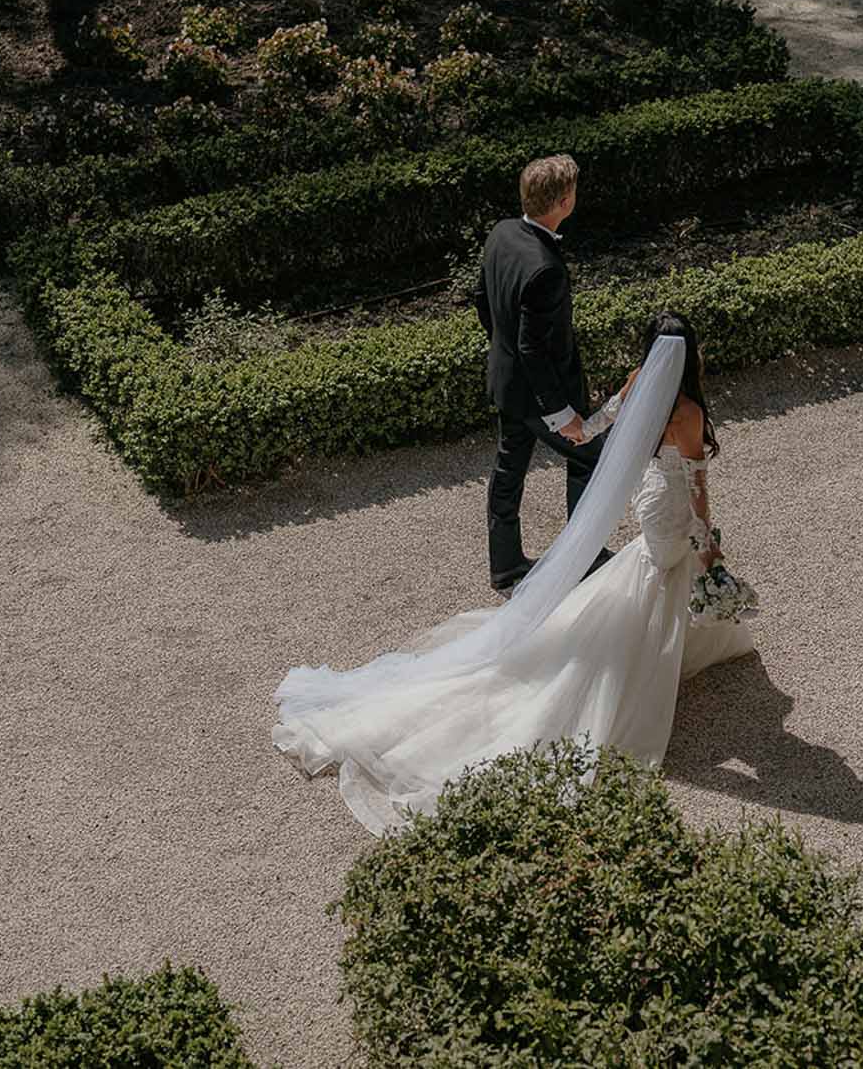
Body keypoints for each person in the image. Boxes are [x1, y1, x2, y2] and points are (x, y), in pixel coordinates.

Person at [273, 312, 754, 836]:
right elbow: (698, 487)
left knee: (648, 577)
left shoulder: (641, 382)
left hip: (652, 502)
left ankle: (654, 649)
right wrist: (710, 546)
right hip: (669, 505)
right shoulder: (685, 409)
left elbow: (598, 423)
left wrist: (570, 426)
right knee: (663, 571)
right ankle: (632, 669)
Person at [474, 153, 601, 592]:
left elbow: (482, 301)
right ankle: (585, 556)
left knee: (508, 470)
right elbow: (534, 349)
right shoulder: (546, 269)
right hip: (537, 394)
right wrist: (560, 412)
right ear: (564, 202)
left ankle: (505, 566)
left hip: (506, 384)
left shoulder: (502, 232)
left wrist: (501, 347)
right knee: (589, 458)